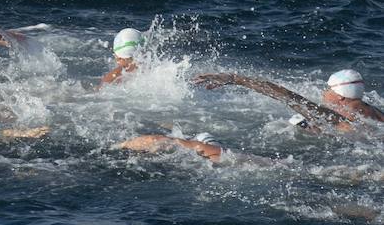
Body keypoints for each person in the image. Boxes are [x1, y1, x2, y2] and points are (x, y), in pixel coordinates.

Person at [193, 71, 356, 132]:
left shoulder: (343, 122)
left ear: (340, 96)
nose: (324, 92)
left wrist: (235, 79)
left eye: (328, 89)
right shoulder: (366, 116)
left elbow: (287, 96)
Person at [116, 131, 224, 164]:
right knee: (160, 142)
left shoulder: (225, 159)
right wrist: (120, 145)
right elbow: (155, 139)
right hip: (204, 143)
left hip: (208, 146)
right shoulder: (213, 152)